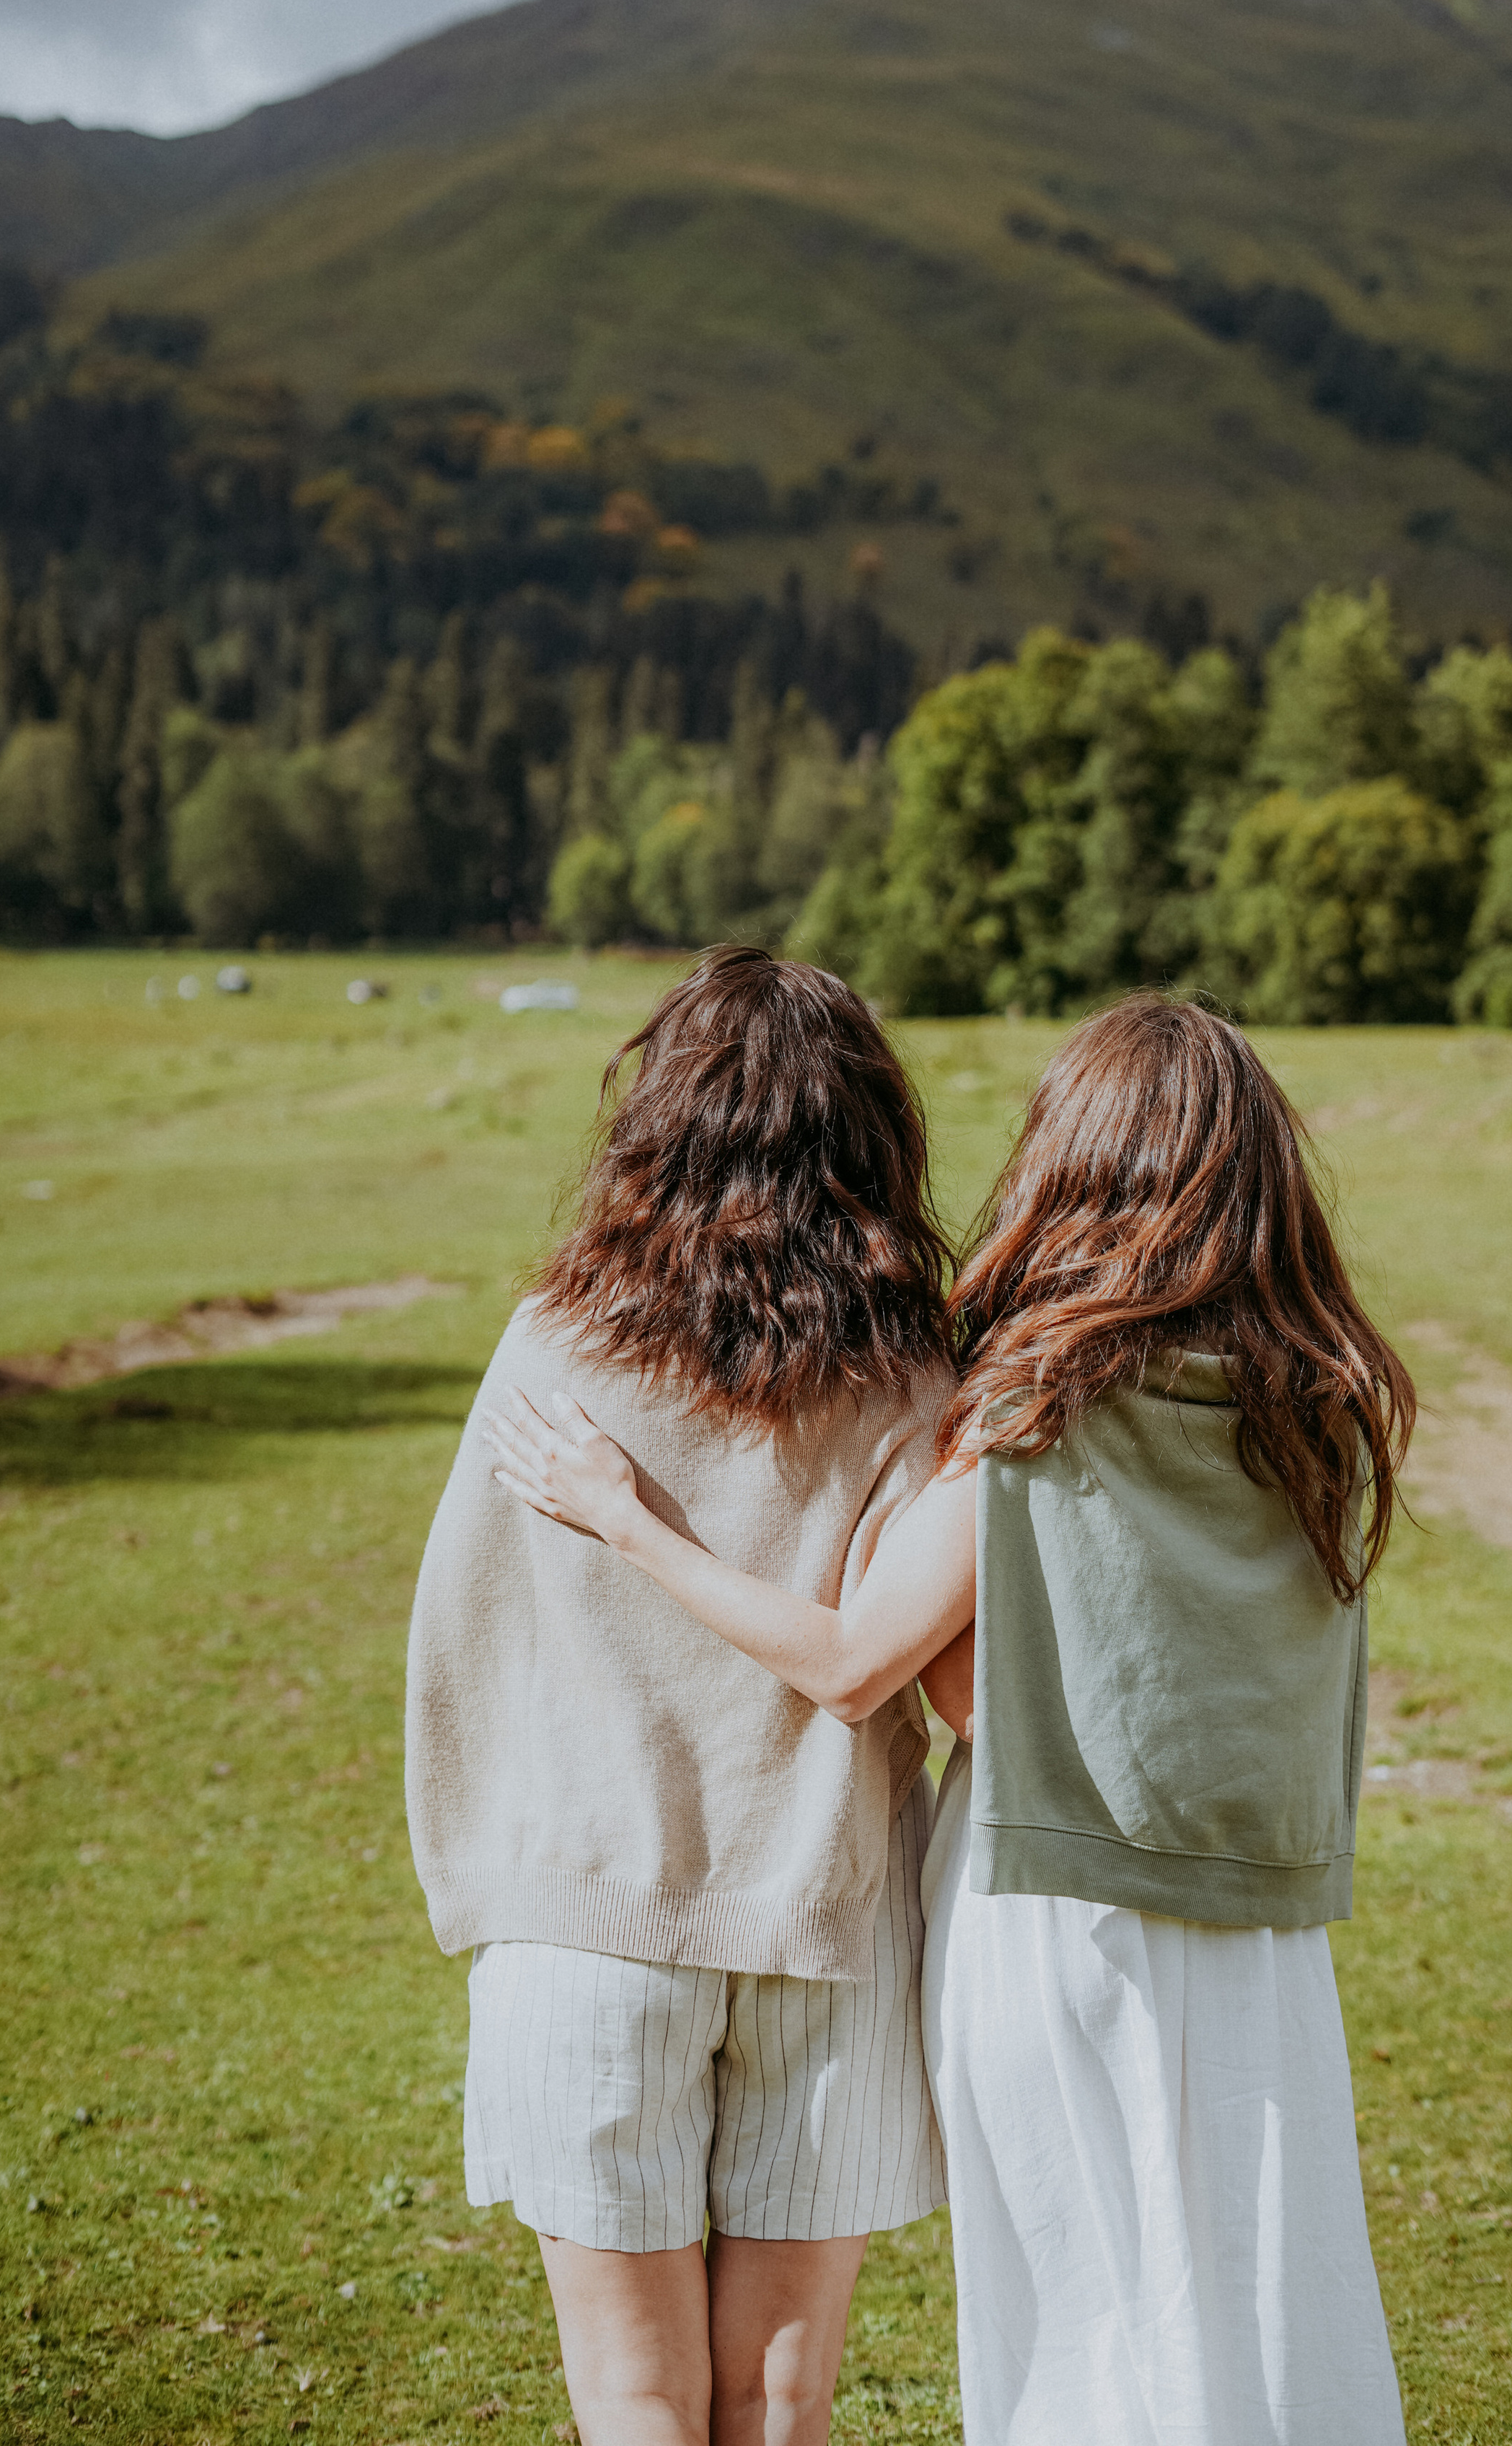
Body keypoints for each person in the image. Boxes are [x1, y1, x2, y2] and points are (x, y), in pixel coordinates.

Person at [486, 993, 1415, 2446]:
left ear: (1071, 1168)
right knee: (1246, 2306)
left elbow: (891, 1670)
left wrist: (634, 1523)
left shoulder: (1034, 1412)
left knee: (1077, 2325)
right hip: (1264, 1940)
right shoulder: (1319, 1413)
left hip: (1053, 1916)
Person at [405, 948, 955, 2446]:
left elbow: (460, 1629)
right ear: (868, 1133)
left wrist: (485, 1869)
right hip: (820, 1925)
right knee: (782, 2402)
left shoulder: (556, 1346)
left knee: (634, 2401)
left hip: (582, 1917)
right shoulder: (916, 1374)